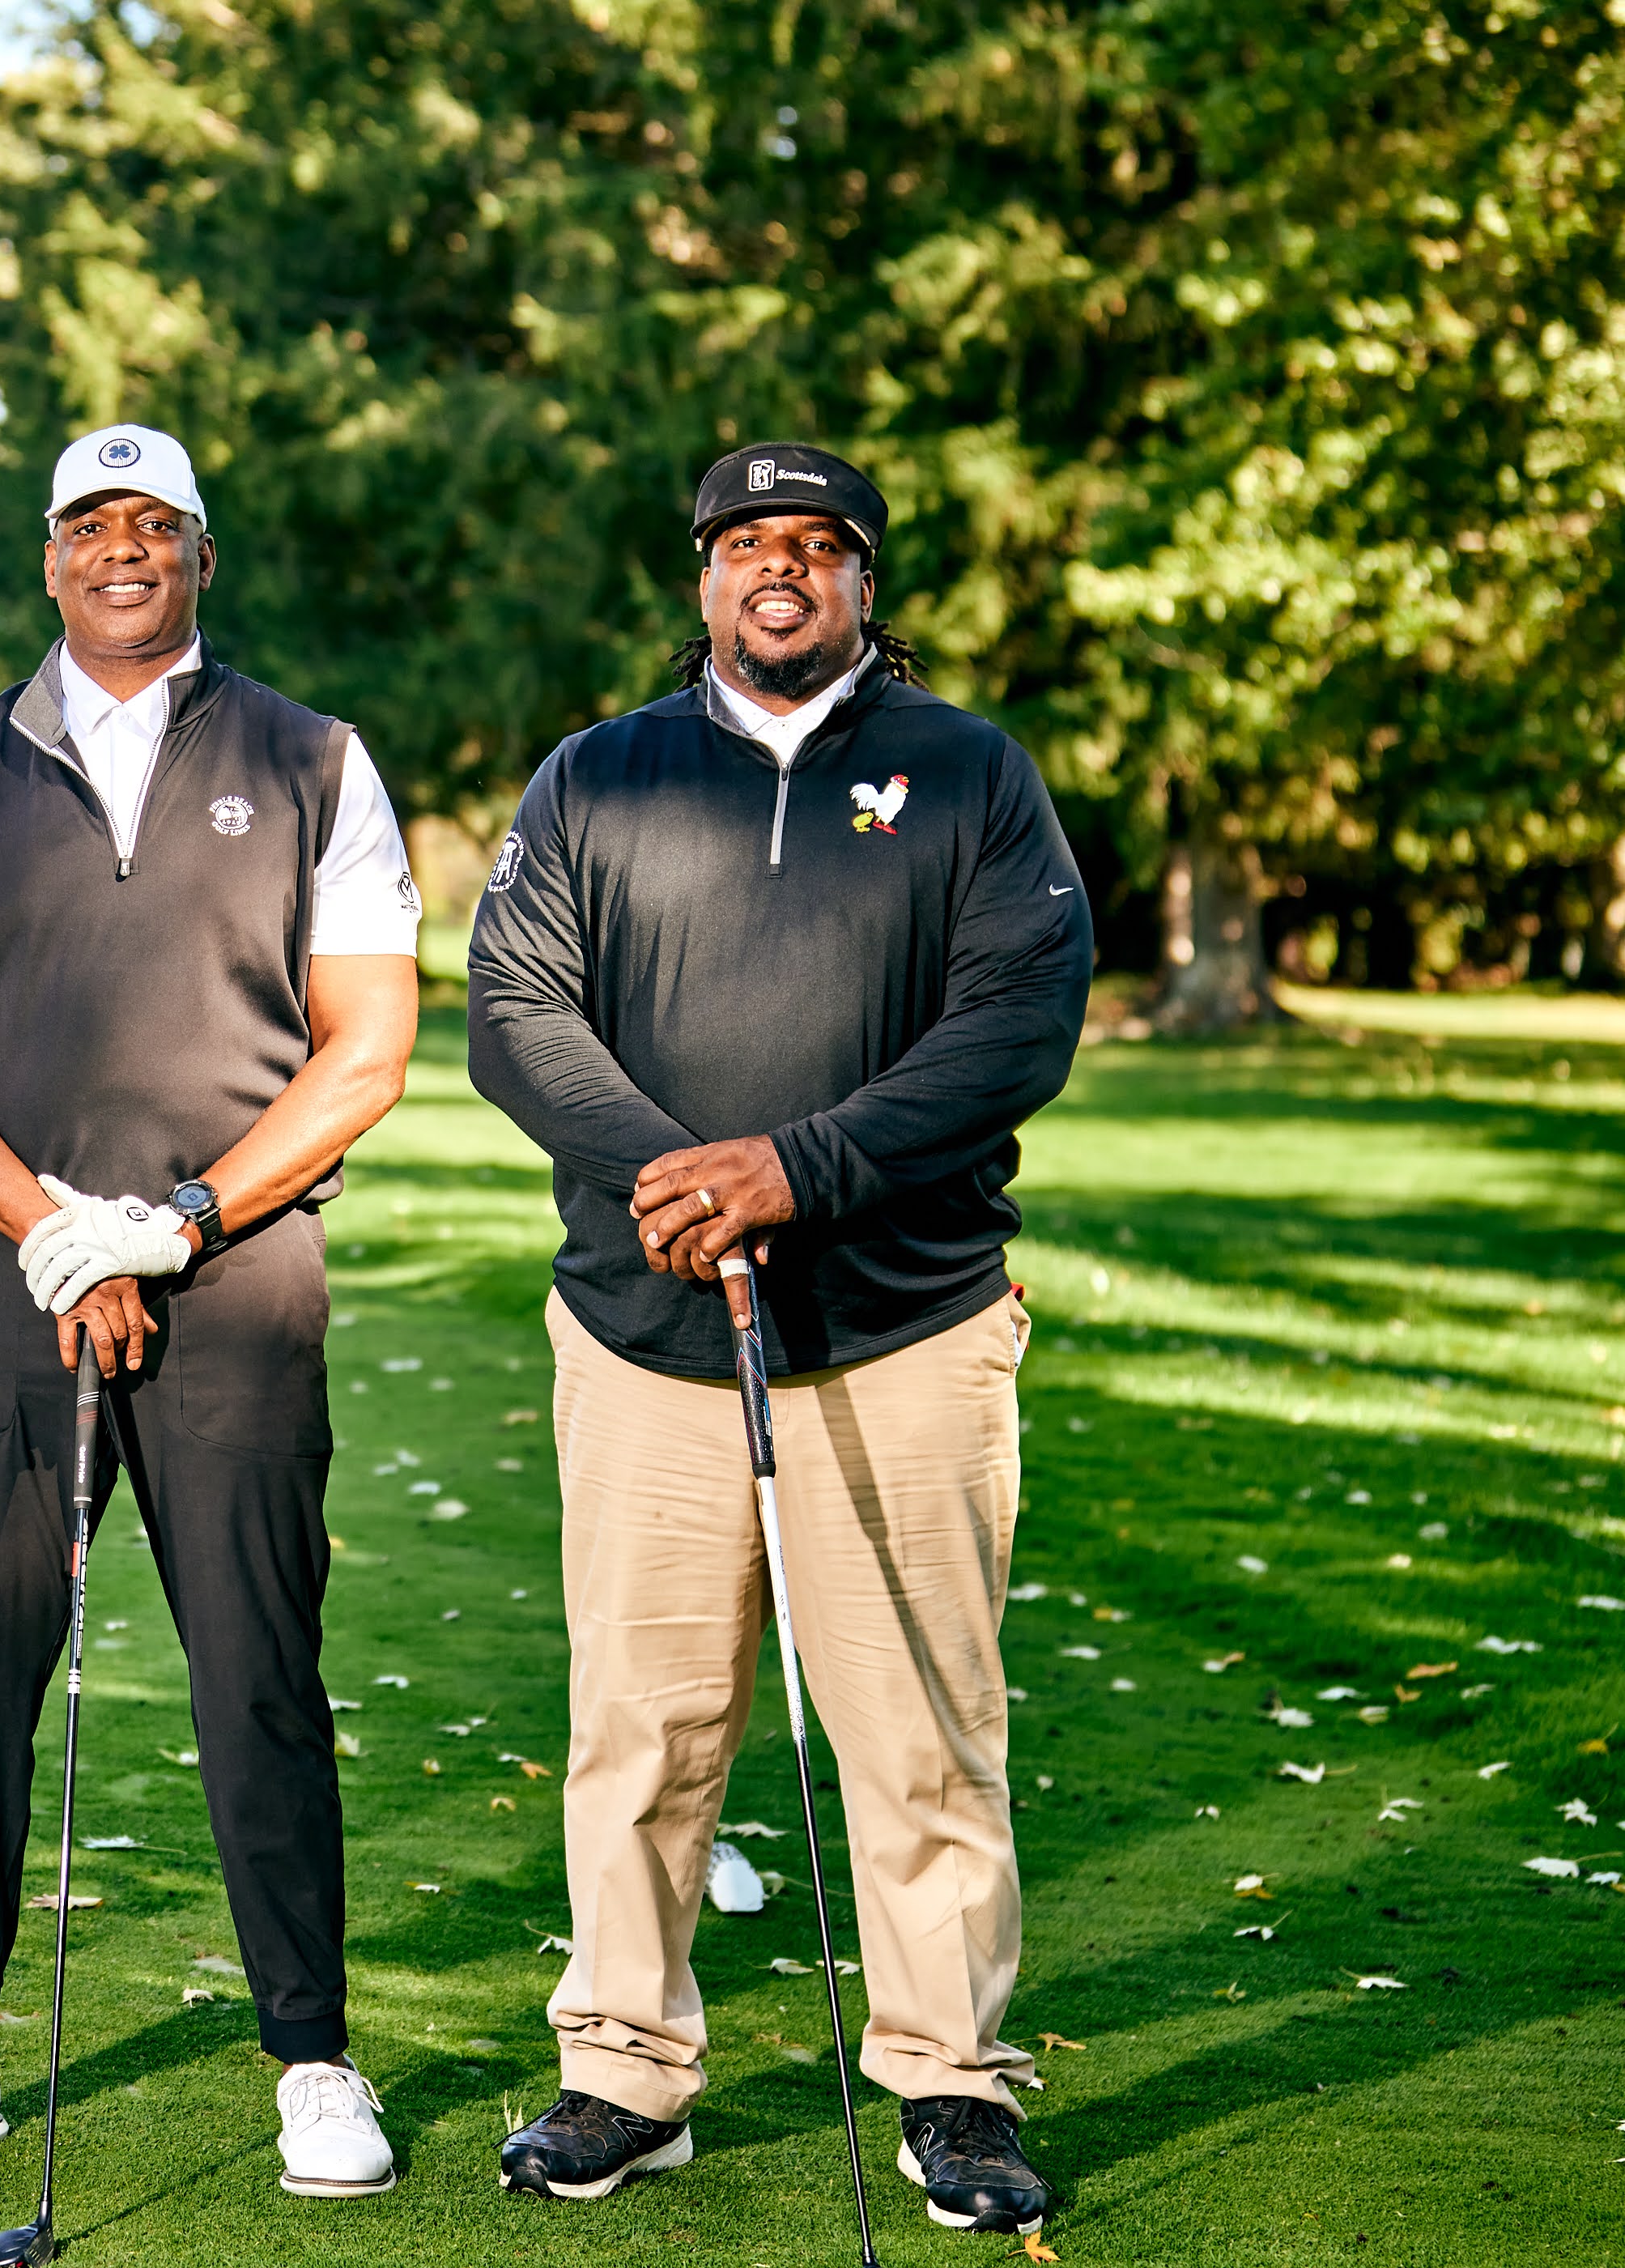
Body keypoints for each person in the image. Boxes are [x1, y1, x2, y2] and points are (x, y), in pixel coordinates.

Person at [466, 444, 1089, 2236]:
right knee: (644, 1727)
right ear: (704, 579)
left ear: (866, 584)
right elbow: (517, 1008)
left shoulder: (971, 773)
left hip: (902, 1333)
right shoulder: (600, 774)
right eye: (750, 547)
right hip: (646, 1332)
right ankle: (625, 2072)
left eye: (820, 549)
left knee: (918, 1729)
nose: (783, 575)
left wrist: (796, 1169)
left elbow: (1012, 1027)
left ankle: (950, 2082)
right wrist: (668, 1166)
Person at [0, 424, 424, 2200]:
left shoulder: (315, 759)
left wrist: (175, 1224)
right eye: (89, 525)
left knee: (260, 1671)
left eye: (155, 526)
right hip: (4, 1281)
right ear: (49, 560)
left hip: (235, 1280)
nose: (121, 551)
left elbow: (370, 1044)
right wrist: (52, 1234)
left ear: (199, 557)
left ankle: (313, 2060)